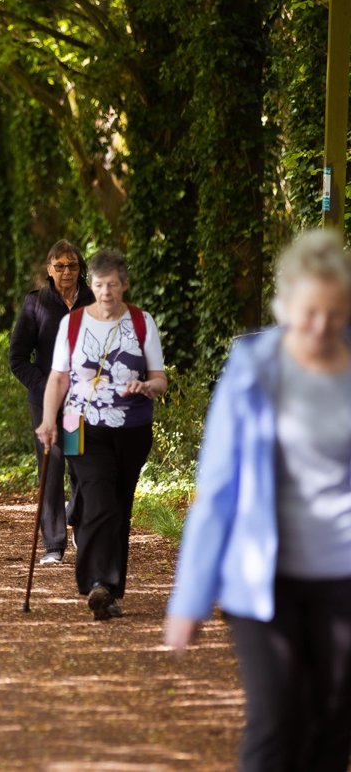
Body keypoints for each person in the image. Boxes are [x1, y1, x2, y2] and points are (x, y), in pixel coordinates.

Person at [165, 230, 351, 771]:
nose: (321, 327)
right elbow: (217, 490)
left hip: (343, 574)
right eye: (309, 313)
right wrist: (190, 599)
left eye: (335, 315)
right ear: (285, 305)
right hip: (262, 573)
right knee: (277, 720)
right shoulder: (253, 372)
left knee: (334, 722)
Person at [36, 248, 167, 620]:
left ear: (124, 285)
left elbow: (160, 379)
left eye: (112, 285)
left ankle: (110, 590)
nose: (105, 291)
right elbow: (58, 377)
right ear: (90, 285)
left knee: (120, 505)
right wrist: (48, 420)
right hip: (82, 425)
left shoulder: (143, 323)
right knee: (98, 498)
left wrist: (147, 387)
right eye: (98, 284)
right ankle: (96, 581)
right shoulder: (73, 324)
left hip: (132, 429)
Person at [8, 240, 95, 564]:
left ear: (80, 269)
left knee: (81, 463)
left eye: (72, 265)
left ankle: (78, 522)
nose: (66, 272)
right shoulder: (36, 304)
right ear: (48, 270)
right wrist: (47, 388)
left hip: (84, 402)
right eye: (59, 266)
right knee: (52, 464)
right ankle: (54, 545)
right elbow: (17, 357)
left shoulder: (94, 300)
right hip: (46, 403)